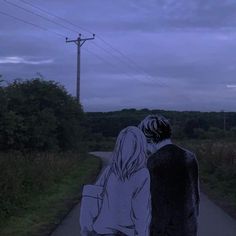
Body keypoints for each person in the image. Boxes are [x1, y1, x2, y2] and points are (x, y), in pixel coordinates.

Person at [139, 115, 200, 236]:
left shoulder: (153, 161)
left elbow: (155, 203)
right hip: (188, 227)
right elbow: (195, 196)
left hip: (164, 230)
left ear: (150, 137)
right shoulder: (189, 156)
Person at [92, 126, 151, 236]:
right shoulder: (143, 174)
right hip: (126, 232)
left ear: (119, 146)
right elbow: (141, 212)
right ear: (140, 146)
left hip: (102, 230)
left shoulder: (109, 171)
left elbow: (94, 198)